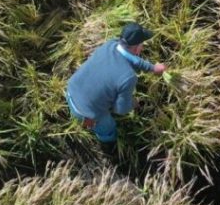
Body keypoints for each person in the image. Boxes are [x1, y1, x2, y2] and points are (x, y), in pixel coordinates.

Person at [65, 22, 167, 150]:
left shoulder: (110, 45)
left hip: (70, 89)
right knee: (108, 126)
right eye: (142, 45)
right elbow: (121, 109)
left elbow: (130, 58)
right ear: (136, 48)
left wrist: (153, 68)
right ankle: (107, 144)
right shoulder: (128, 77)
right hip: (85, 113)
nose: (143, 47)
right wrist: (132, 103)